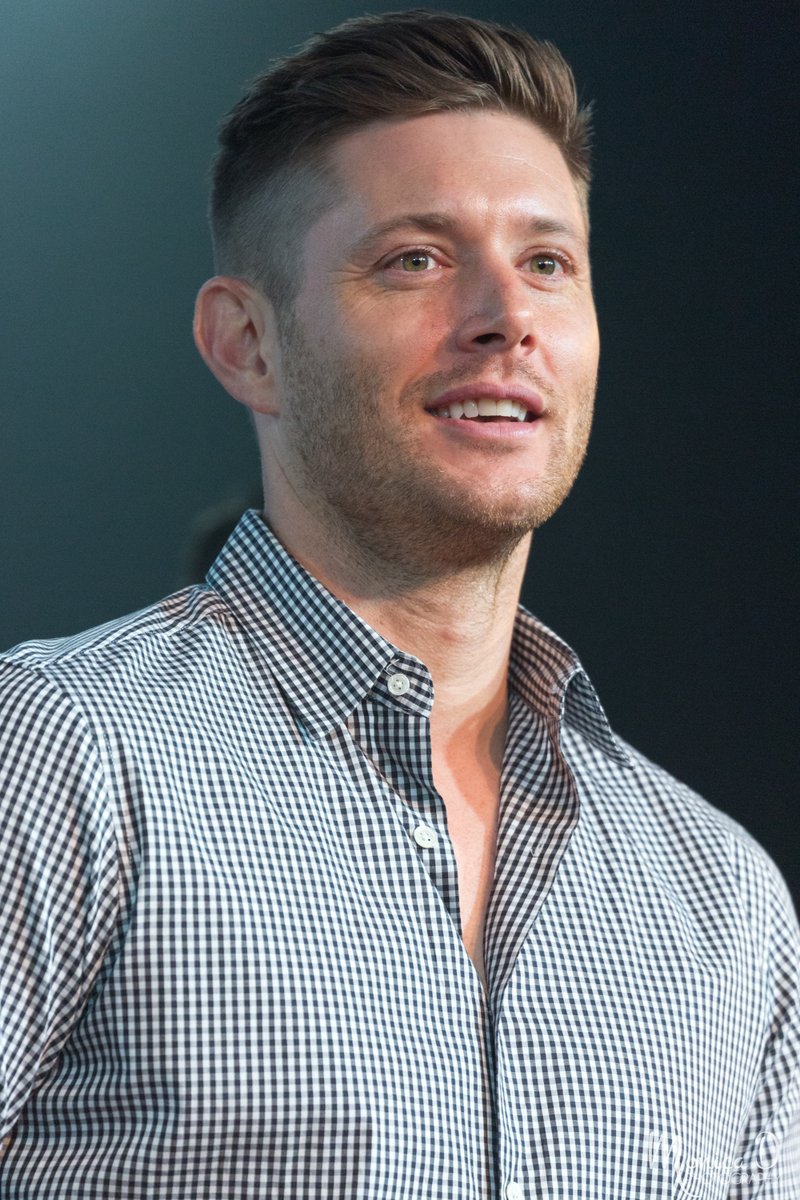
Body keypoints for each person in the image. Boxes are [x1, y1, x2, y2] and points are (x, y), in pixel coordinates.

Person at [0, 10, 797, 1197]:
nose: (504, 316)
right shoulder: (59, 753)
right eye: (414, 260)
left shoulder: (722, 899)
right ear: (247, 344)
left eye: (546, 263)